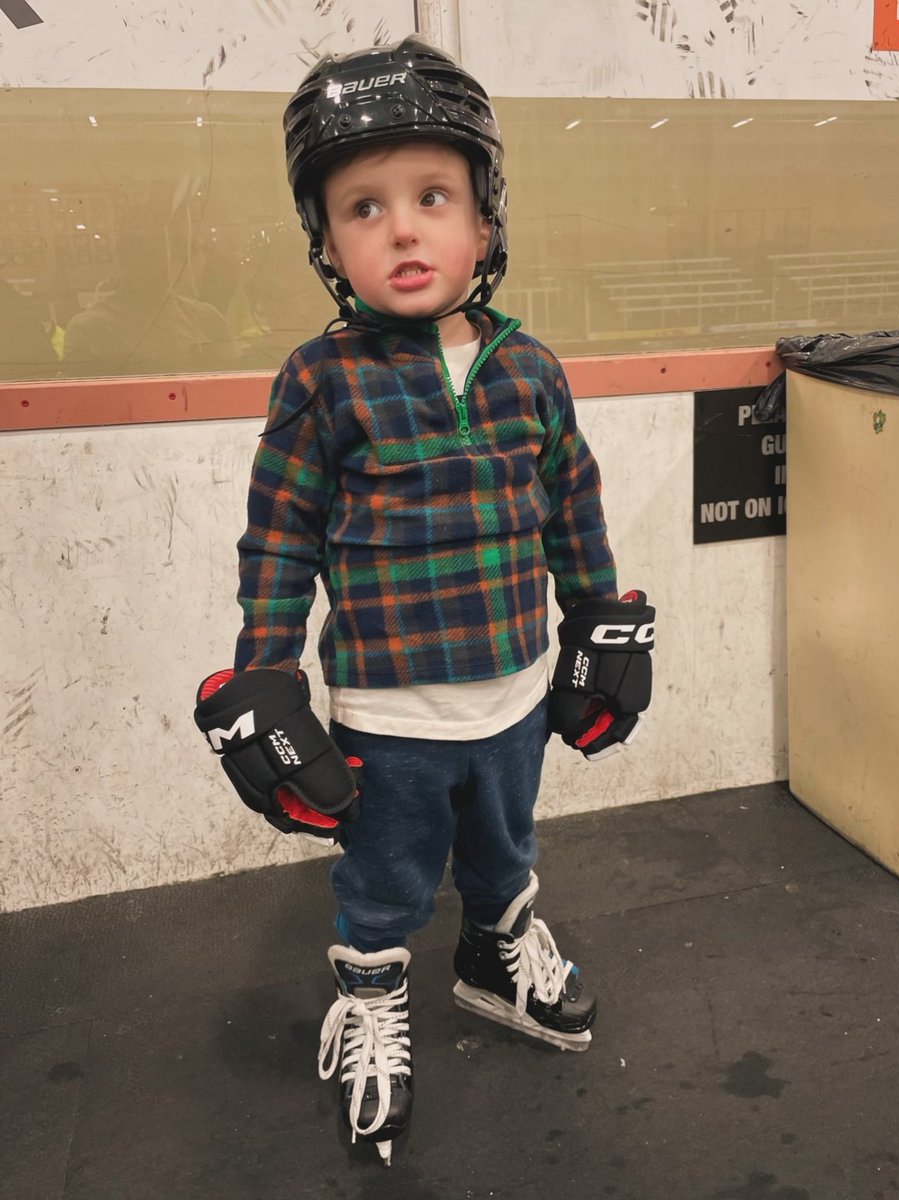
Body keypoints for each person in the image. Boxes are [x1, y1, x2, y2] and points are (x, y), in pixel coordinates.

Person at [194, 36, 654, 1166]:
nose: (400, 228)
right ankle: (372, 1003)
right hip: (388, 716)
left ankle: (495, 962)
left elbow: (571, 508)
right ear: (327, 241)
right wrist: (267, 673)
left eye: (430, 196)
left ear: (483, 224)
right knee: (383, 880)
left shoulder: (530, 369)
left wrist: (598, 619)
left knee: (503, 853)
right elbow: (281, 537)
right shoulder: (322, 377)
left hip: (513, 698)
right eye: (363, 207)